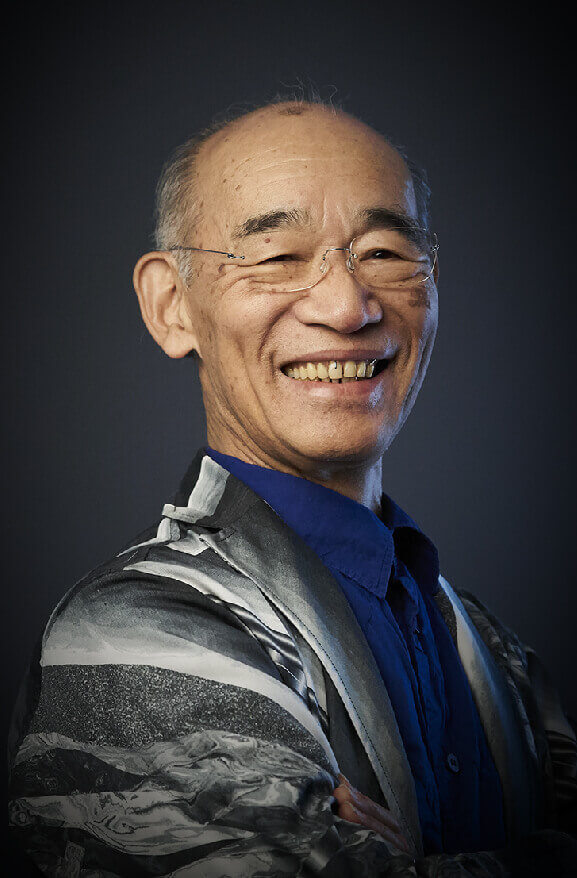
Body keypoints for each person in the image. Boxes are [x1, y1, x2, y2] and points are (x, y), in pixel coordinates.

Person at [8, 97, 577, 877]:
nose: (347, 307)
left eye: (384, 252)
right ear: (172, 306)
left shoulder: (490, 650)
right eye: (276, 256)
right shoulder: (134, 635)